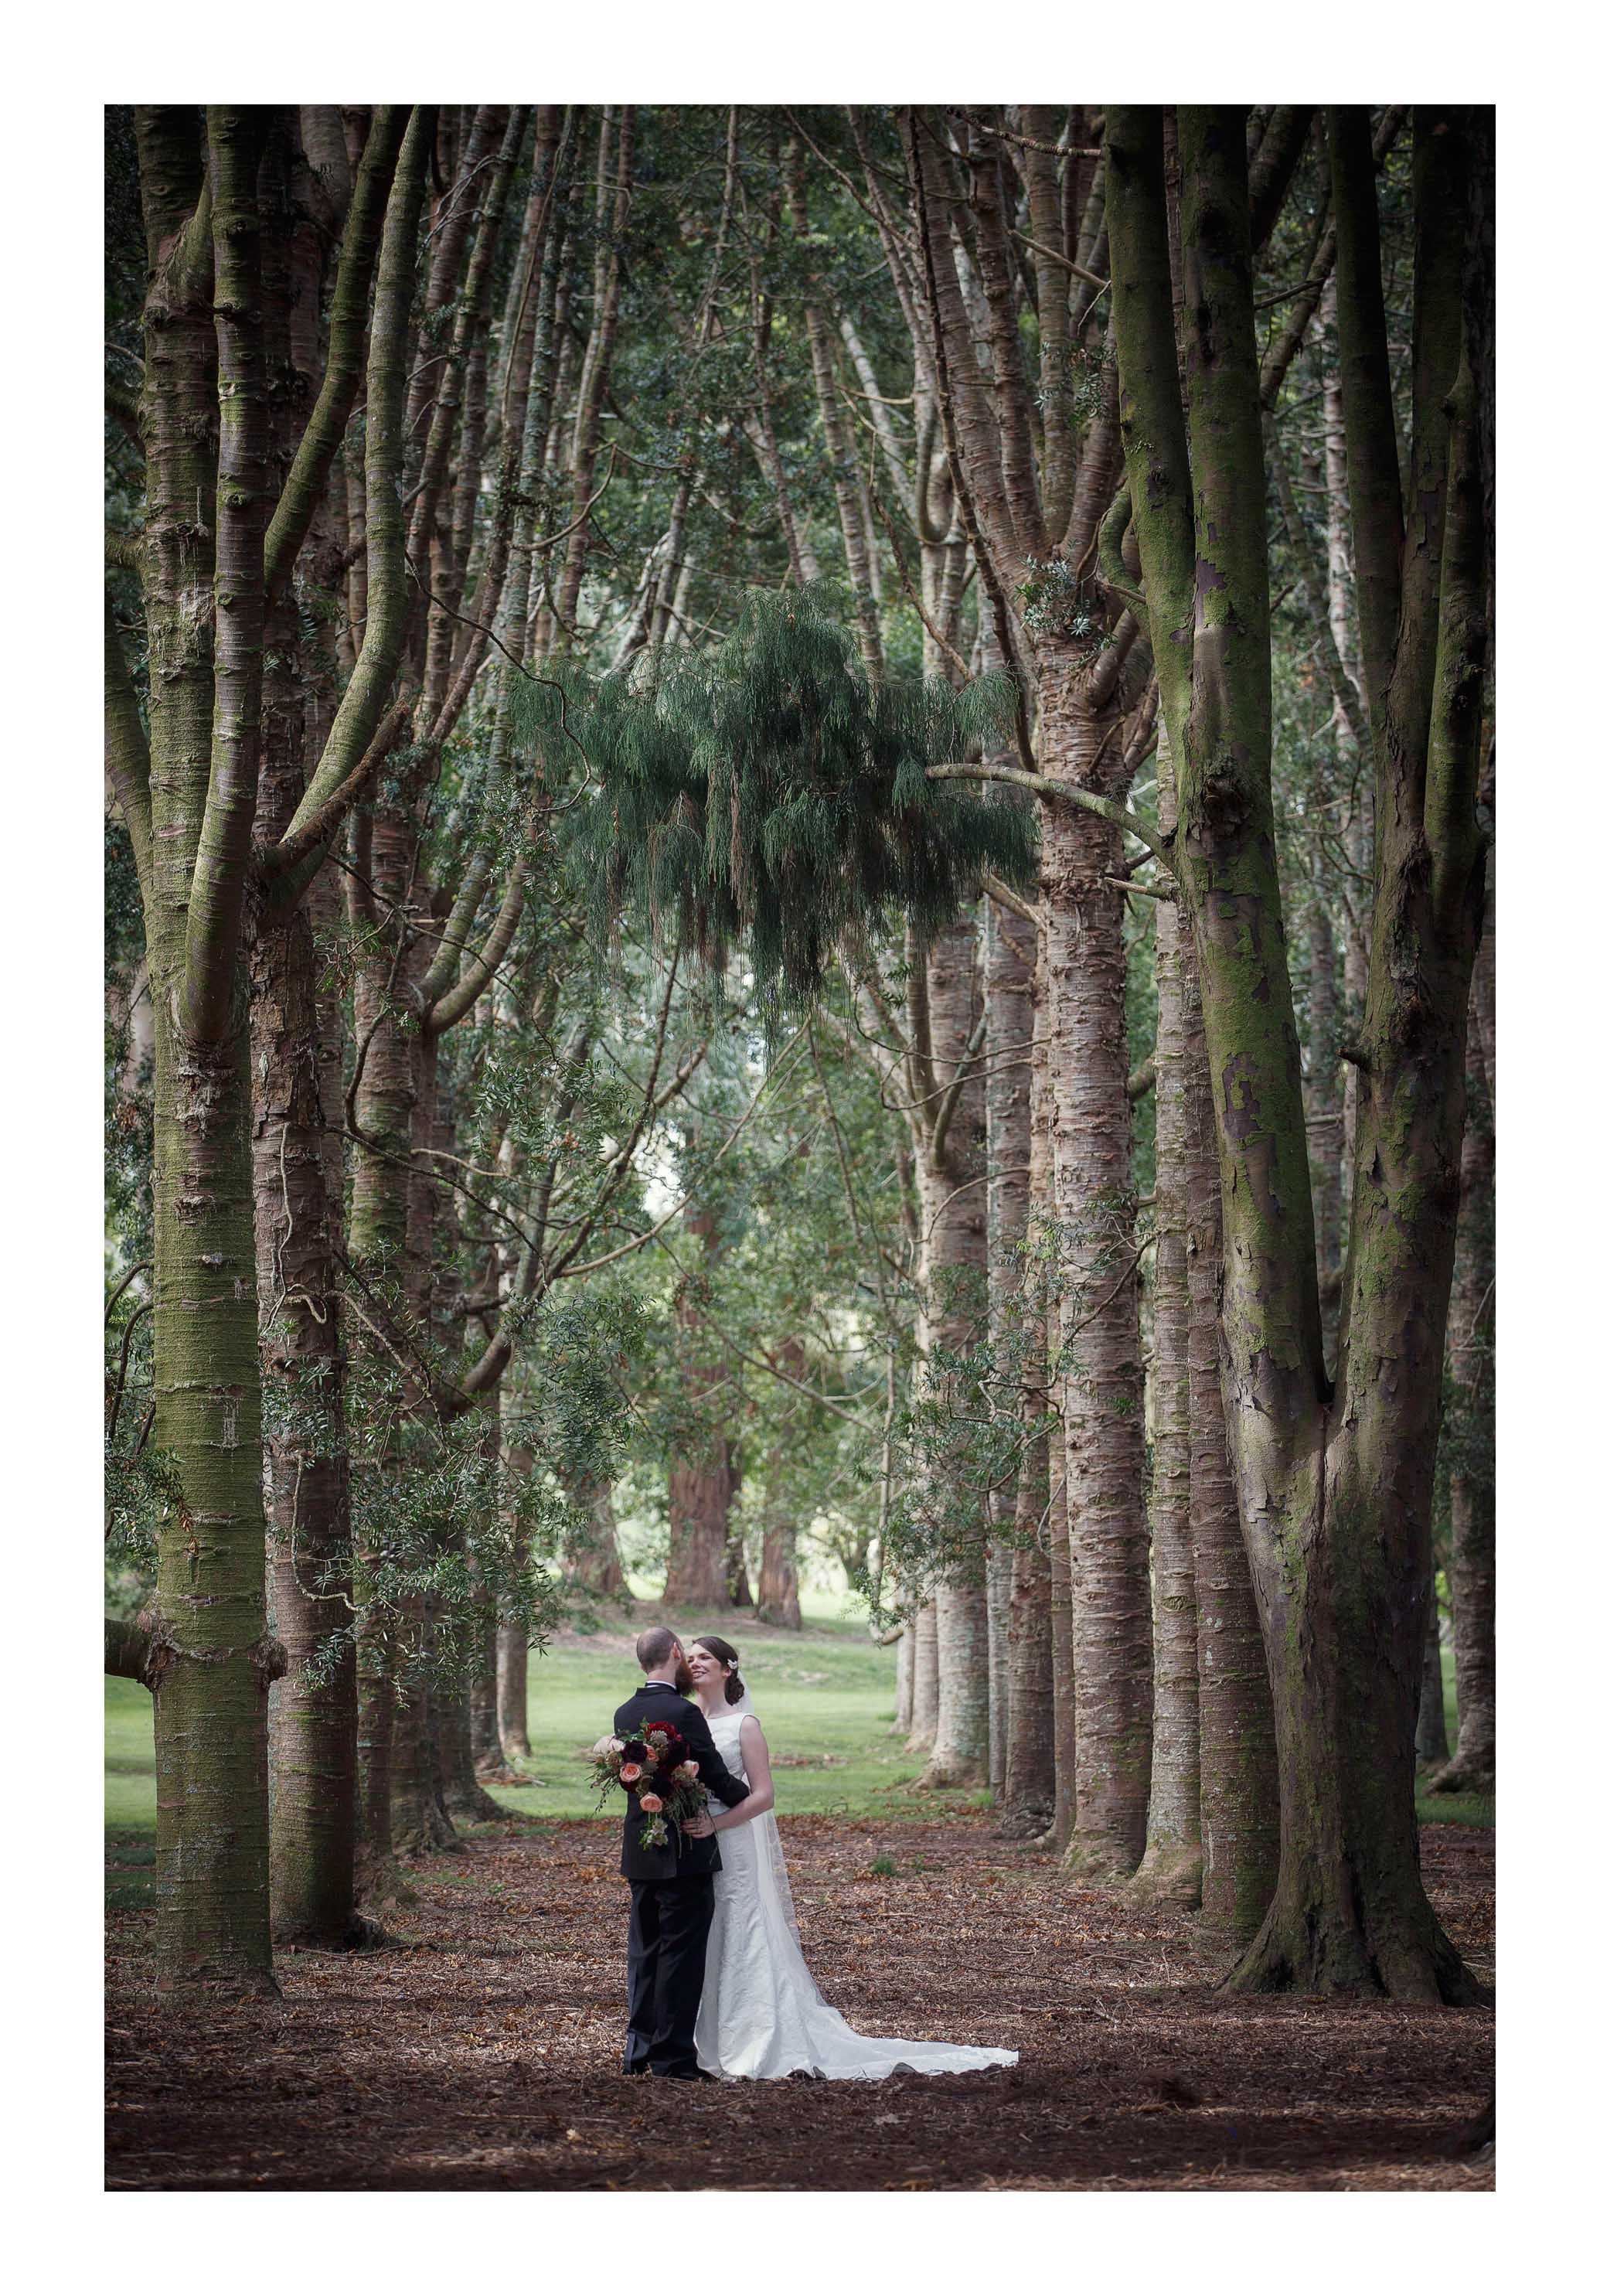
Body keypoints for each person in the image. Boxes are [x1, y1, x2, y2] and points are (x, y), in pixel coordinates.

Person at [685, 1633, 1019, 2082]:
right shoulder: (685, 1724)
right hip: (694, 1844)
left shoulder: (744, 1725)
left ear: (728, 1668)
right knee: (704, 1931)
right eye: (690, 1658)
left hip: (733, 1843)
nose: (696, 1663)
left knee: (741, 1925)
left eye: (705, 1656)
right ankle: (702, 2036)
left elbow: (764, 1796)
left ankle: (752, 2037)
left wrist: (716, 1825)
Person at [612, 1625, 753, 2080]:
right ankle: (673, 2058)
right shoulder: (684, 1713)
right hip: (684, 1850)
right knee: (681, 1955)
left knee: (644, 1952)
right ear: (675, 1652)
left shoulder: (624, 1713)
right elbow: (713, 1773)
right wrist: (746, 1797)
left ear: (641, 1661)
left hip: (640, 1850)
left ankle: (638, 2053)